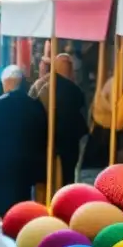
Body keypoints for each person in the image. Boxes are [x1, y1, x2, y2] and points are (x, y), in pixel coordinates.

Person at [0, 66, 49, 219]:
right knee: (23, 208)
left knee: (2, 210)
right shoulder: (35, 105)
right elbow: (43, 137)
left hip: (1, 167)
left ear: (6, 83)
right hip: (27, 167)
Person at [31, 54, 88, 187]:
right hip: (68, 142)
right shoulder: (75, 90)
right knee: (67, 178)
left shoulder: (40, 85)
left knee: (45, 179)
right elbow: (82, 115)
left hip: (44, 140)